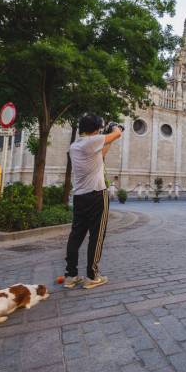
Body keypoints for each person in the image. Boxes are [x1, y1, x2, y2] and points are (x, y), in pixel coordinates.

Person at [63, 114, 122, 289]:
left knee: (76, 235)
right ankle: (92, 276)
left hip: (80, 196)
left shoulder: (75, 146)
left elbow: (100, 154)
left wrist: (107, 138)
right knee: (97, 236)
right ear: (96, 129)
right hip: (96, 196)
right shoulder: (92, 141)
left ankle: (71, 275)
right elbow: (117, 133)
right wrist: (116, 128)